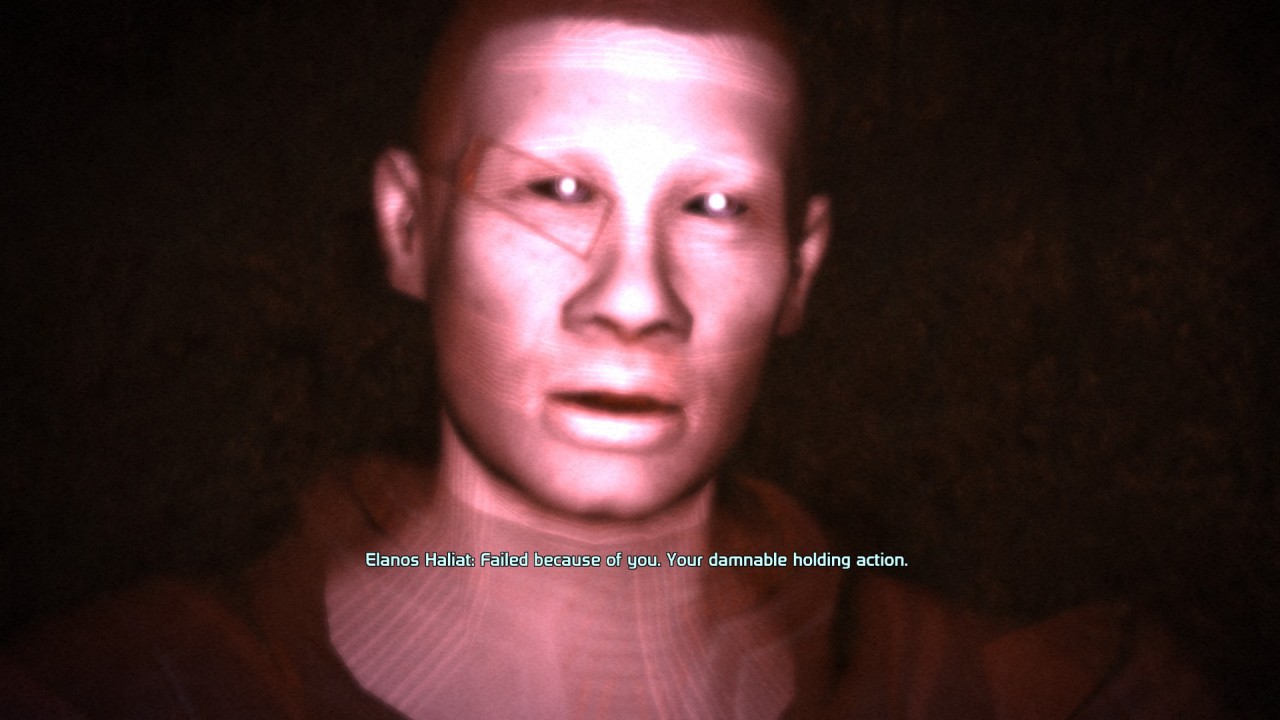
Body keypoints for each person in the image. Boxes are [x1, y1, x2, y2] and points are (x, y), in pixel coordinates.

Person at [3, 1, 840, 718]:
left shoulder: (919, 687)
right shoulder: (101, 695)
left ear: (800, 269)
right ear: (408, 227)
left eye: (716, 206)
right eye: (556, 190)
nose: (634, 300)